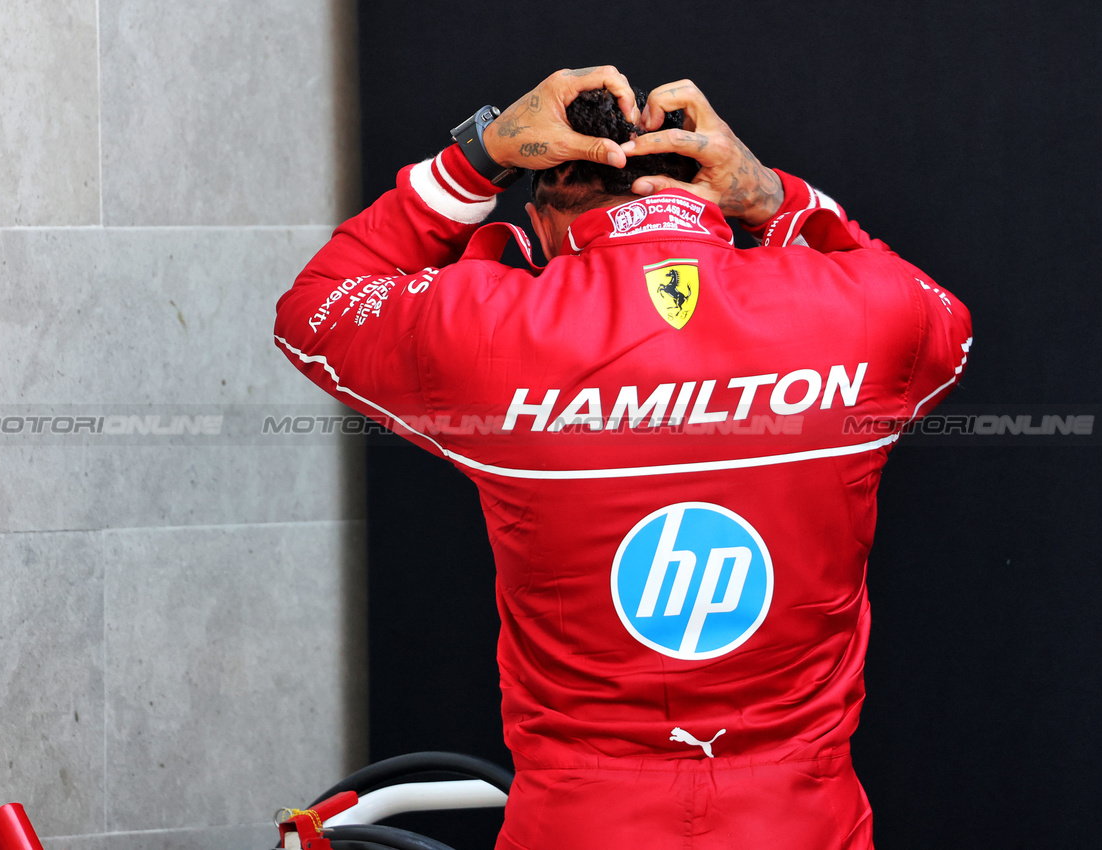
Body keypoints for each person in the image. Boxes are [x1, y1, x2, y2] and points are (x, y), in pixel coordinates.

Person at [275, 66, 971, 850]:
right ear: (709, 185)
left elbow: (315, 310)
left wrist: (479, 153)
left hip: (578, 820)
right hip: (802, 818)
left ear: (540, 225)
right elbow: (942, 320)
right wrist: (771, 195)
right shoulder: (868, 313)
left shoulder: (483, 327)